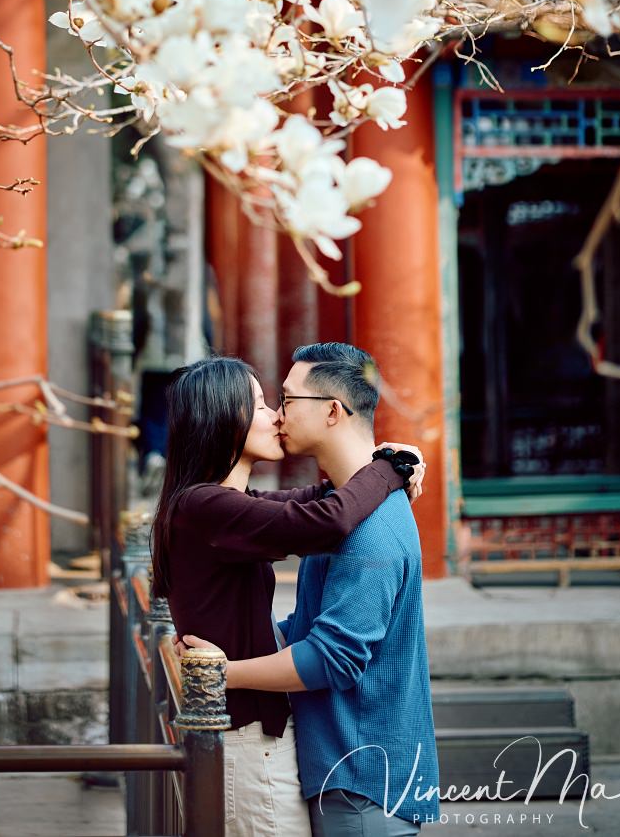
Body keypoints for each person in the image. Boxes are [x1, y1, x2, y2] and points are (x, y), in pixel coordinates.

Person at [151, 354, 423, 837]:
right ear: (224, 419)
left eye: (281, 401)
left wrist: (385, 464)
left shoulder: (222, 504)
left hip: (252, 735)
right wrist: (389, 470)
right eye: (260, 405)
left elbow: (316, 502)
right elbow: (327, 521)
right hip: (245, 739)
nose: (276, 415)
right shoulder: (206, 506)